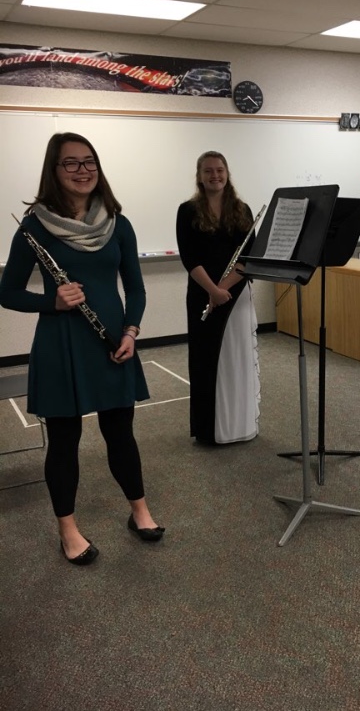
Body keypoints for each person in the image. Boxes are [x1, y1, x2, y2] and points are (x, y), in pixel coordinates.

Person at [0, 132, 164, 565]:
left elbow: (136, 288)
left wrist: (131, 332)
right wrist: (50, 301)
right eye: (70, 163)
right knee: (65, 440)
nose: (83, 170)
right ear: (54, 170)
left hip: (114, 341)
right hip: (62, 344)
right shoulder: (35, 226)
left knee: (121, 433)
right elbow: (8, 292)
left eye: (89, 161)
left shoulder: (117, 223)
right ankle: (68, 530)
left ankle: (139, 511)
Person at [176, 150, 260, 446]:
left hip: (236, 295)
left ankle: (239, 425)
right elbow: (190, 257)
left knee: (237, 359)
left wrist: (224, 288)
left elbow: (248, 257)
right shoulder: (187, 211)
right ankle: (210, 431)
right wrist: (212, 290)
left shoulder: (243, 209)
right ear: (199, 176)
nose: (215, 176)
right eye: (208, 171)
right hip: (202, 293)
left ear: (227, 173)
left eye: (220, 170)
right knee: (206, 361)